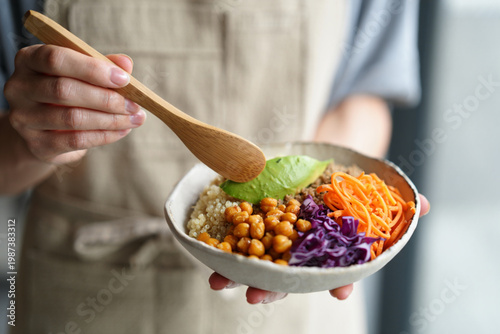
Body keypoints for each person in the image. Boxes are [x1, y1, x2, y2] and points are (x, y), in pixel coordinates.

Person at [1, 0, 430, 333]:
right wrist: (31, 139)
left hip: (301, 314)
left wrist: (336, 227)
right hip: (81, 292)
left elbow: (364, 97)